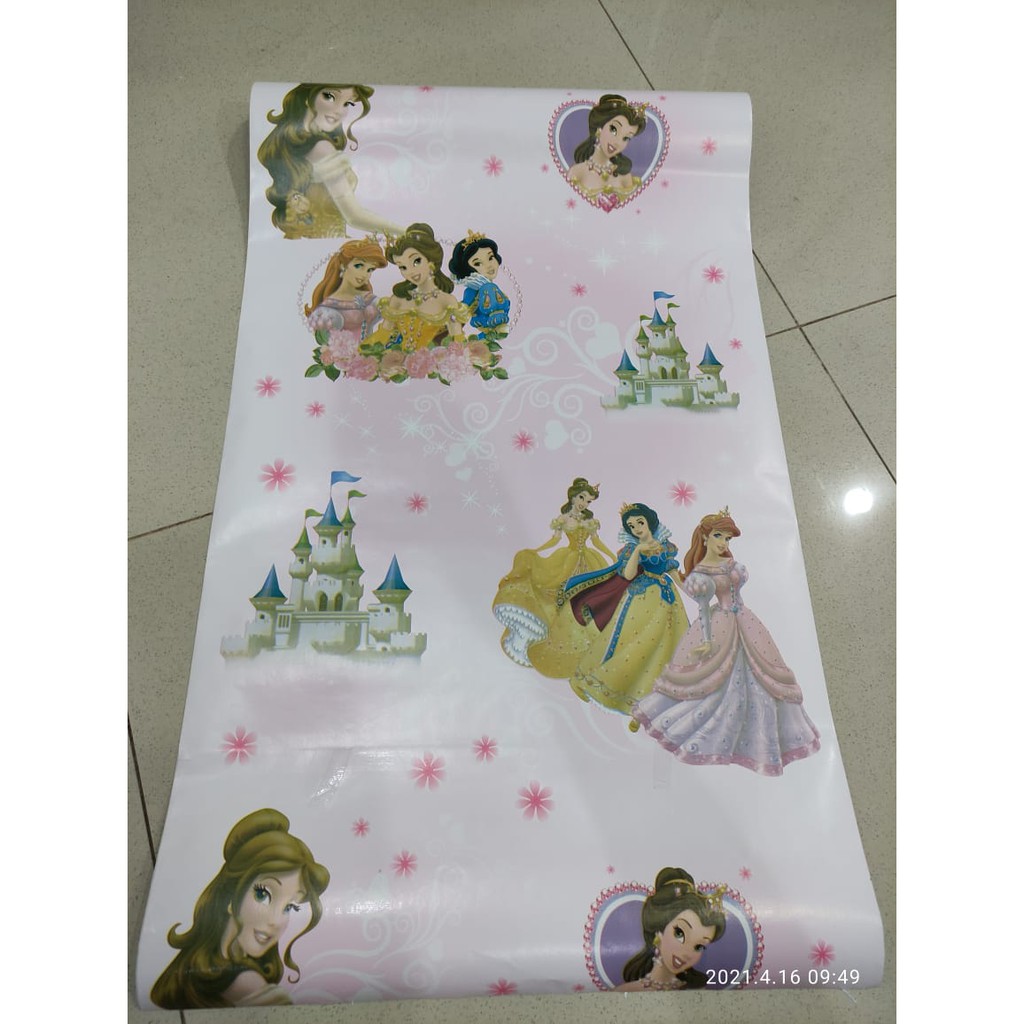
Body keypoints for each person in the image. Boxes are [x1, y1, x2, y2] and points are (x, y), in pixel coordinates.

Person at [631, 508, 822, 775]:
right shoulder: (701, 574)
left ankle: (760, 741)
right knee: (715, 681)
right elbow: (702, 608)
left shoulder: (730, 564)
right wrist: (707, 641)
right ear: (705, 537)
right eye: (718, 536)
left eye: (728, 538)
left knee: (765, 674)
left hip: (745, 620)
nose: (723, 542)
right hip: (719, 624)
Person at [150, 808, 330, 1008]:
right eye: (263, 895)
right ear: (230, 894)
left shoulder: (189, 969)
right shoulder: (249, 984)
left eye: (289, 907)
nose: (276, 921)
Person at [559, 502, 687, 715]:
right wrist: (637, 550)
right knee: (627, 643)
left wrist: (696, 593)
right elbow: (628, 574)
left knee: (663, 649)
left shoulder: (666, 547)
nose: (637, 528)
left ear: (649, 521)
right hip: (641, 598)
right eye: (631, 526)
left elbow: (675, 574)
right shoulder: (632, 549)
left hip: (668, 601)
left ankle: (646, 704)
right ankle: (585, 681)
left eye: (640, 522)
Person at [493, 478, 615, 671]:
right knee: (561, 598)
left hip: (589, 561)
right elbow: (555, 540)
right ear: (573, 496)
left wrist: (612, 557)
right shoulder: (563, 519)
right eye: (582, 497)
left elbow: (596, 542)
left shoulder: (589, 521)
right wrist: (537, 550)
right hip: (567, 561)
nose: (584, 503)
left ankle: (588, 645)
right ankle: (558, 639)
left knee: (590, 601)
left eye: (588, 501)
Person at [257, 83, 402, 239]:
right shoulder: (322, 148)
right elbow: (354, 216)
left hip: (305, 239)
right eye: (330, 96)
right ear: (307, 98)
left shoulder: (288, 146)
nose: (339, 111)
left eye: (347, 103)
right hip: (330, 239)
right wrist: (408, 232)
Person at [359, 223, 472, 354]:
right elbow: (381, 336)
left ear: (431, 260)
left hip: (432, 362)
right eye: (403, 267)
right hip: (399, 361)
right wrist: (359, 353)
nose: (410, 272)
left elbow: (457, 342)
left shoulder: (447, 301)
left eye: (416, 261)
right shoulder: (397, 300)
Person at [614, 868, 727, 992]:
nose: (686, 953)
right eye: (679, 934)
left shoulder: (698, 991)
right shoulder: (625, 991)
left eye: (699, 947)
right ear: (658, 931)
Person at [567, 94, 648, 202]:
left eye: (626, 138)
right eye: (613, 130)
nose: (618, 142)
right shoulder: (577, 172)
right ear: (599, 128)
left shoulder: (625, 177)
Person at [305, 237, 387, 340]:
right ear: (342, 265)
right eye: (358, 266)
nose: (364, 274)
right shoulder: (327, 308)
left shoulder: (370, 299)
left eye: (370, 269)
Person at [447, 231, 511, 335]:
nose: (489, 265)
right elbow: (464, 308)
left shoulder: (491, 287)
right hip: (485, 328)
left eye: (490, 258)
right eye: (478, 263)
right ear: (467, 269)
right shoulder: (475, 289)